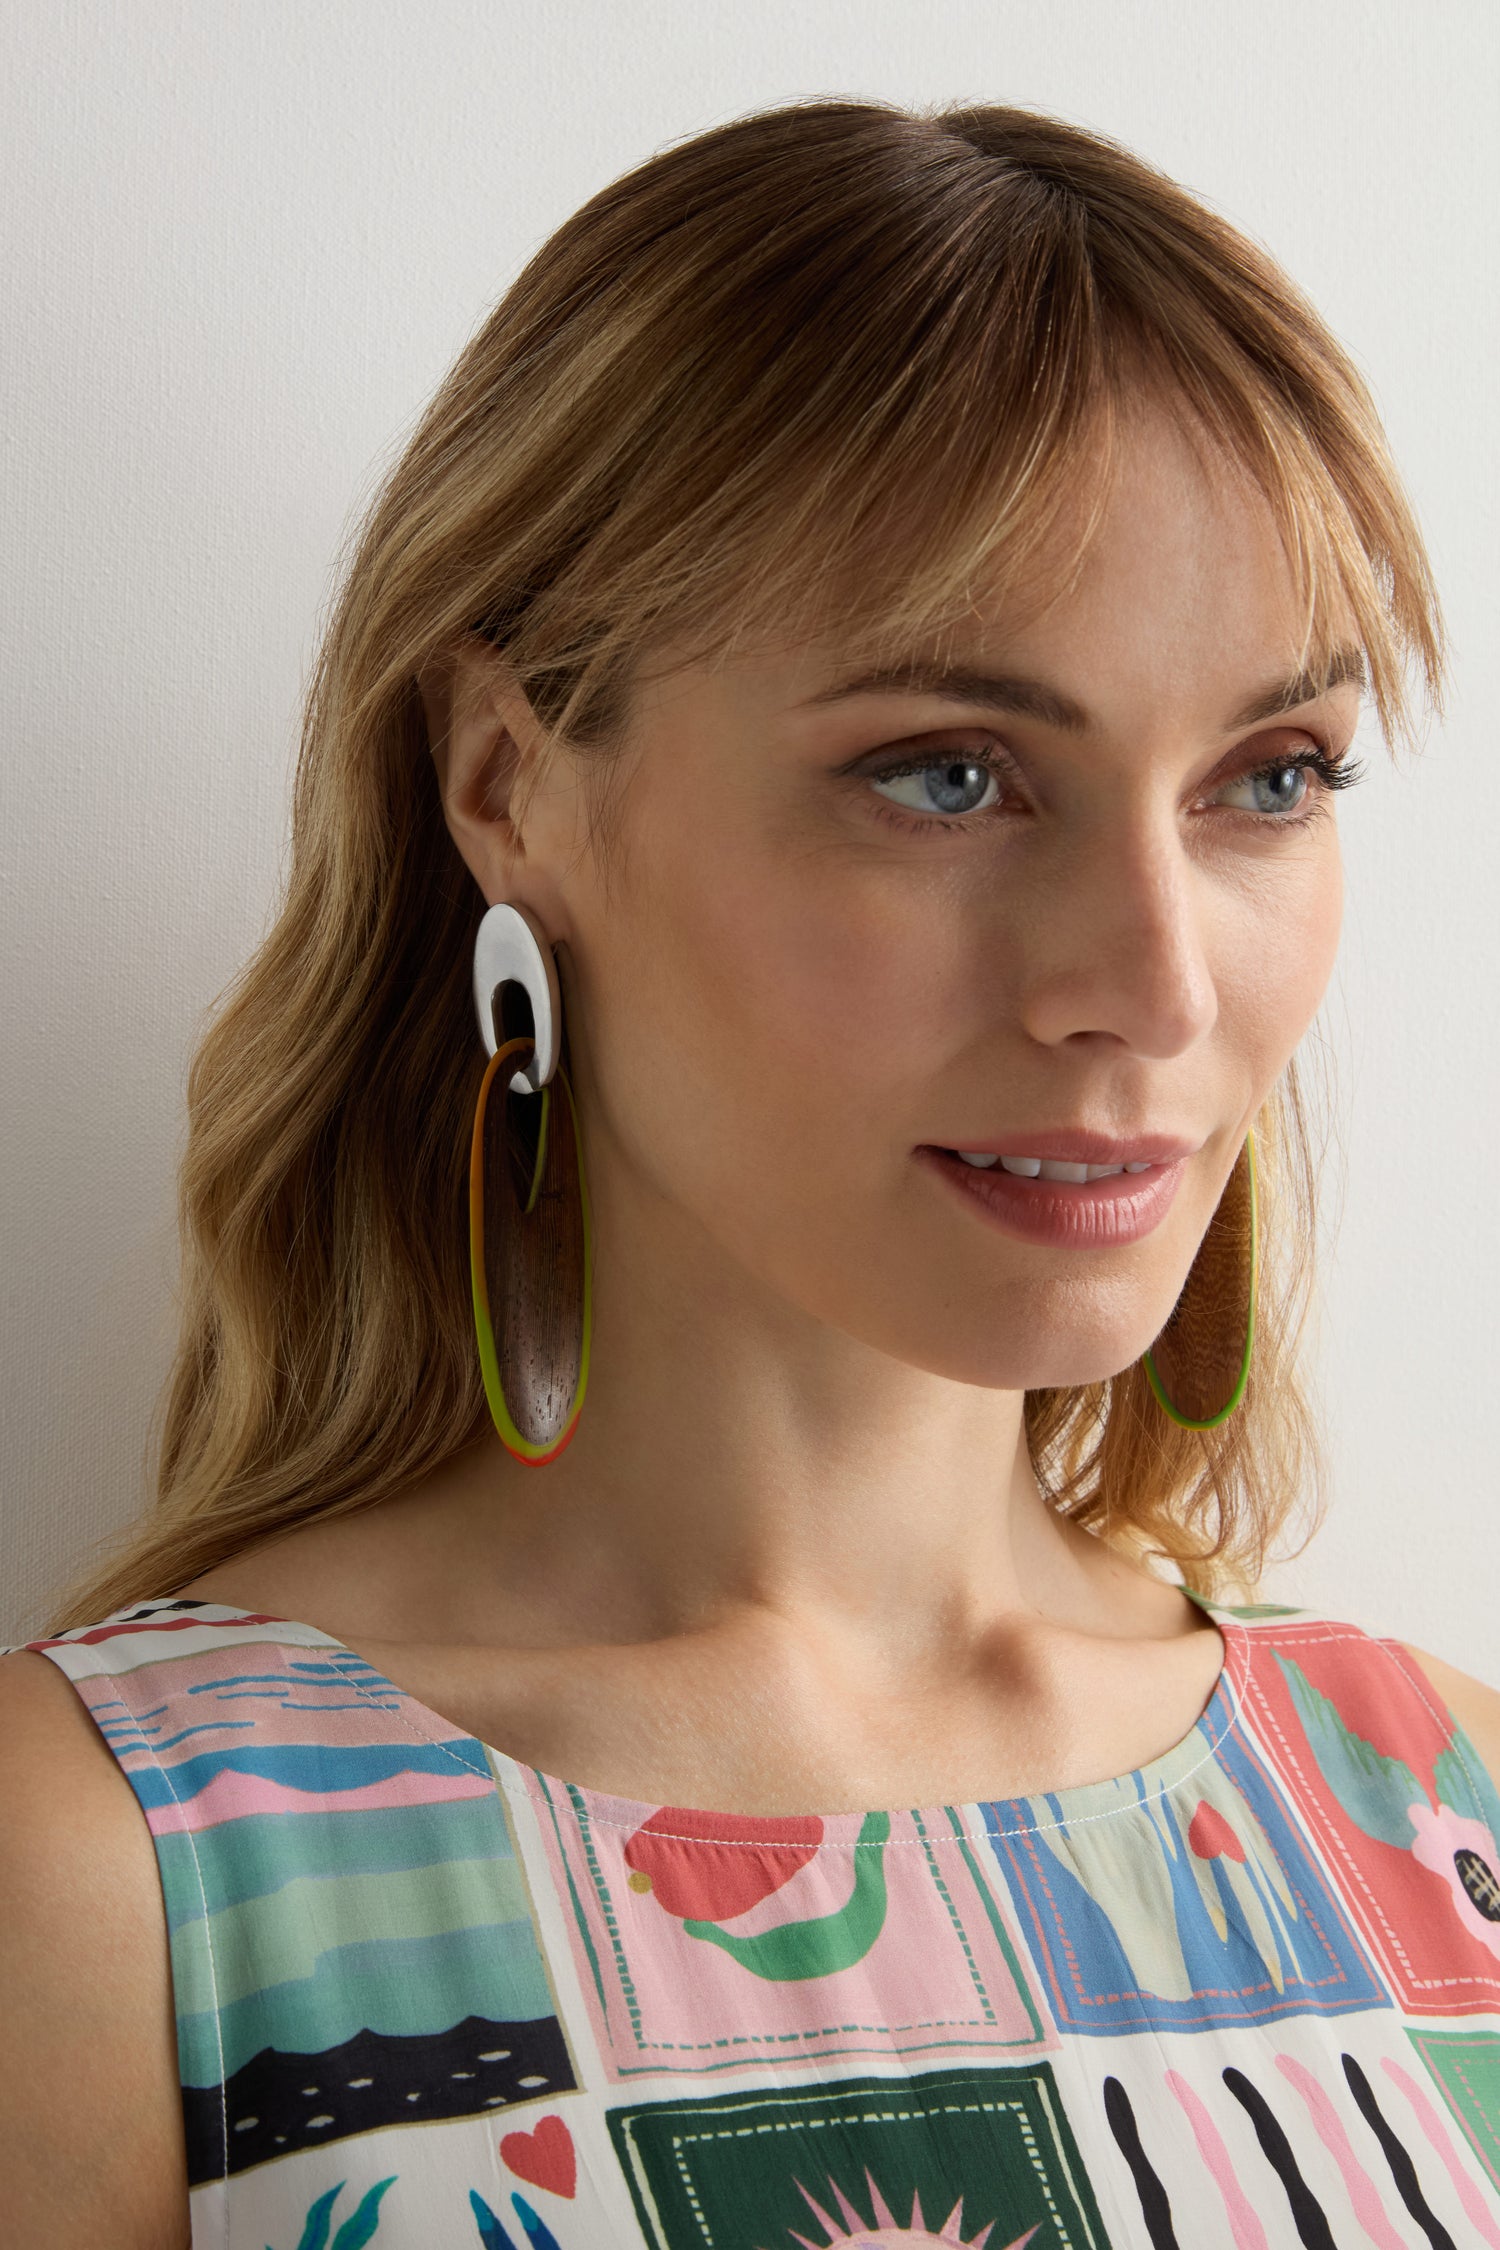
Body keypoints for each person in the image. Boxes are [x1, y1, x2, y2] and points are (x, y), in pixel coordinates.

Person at [3, 97, 1497, 2250]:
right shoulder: (114, 1885)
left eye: (1270, 778)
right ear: (512, 787)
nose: (1154, 984)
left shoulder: (1446, 1814)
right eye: (952, 774)